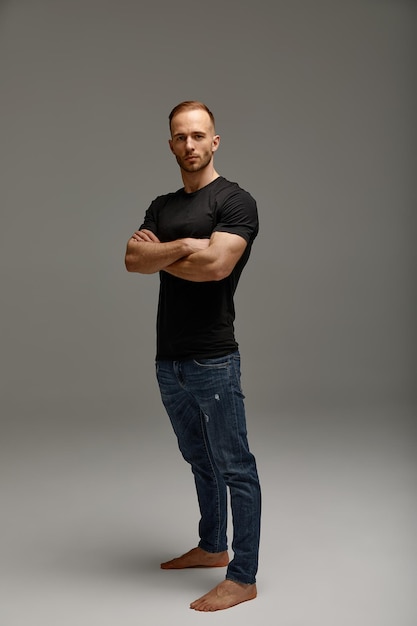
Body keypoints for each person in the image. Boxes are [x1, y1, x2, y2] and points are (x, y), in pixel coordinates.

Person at [125, 101, 261, 612]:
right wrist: (184, 243)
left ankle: (242, 575)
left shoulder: (236, 201)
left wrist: (163, 255)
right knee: (198, 458)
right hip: (170, 359)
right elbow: (132, 259)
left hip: (213, 357)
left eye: (199, 135)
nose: (190, 144)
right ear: (171, 144)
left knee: (235, 466)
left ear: (215, 141)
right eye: (181, 137)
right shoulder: (162, 207)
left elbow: (216, 268)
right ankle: (211, 546)